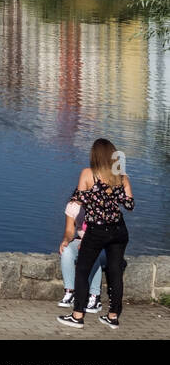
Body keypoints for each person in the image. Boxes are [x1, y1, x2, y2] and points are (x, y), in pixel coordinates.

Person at [58, 138, 133, 329]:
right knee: (115, 272)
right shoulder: (121, 176)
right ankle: (113, 316)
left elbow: (77, 200)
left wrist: (93, 195)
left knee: (82, 270)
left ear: (95, 155)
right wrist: (116, 194)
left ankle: (77, 315)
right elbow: (130, 205)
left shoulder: (87, 174)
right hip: (118, 229)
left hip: (97, 228)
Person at [58, 194, 105, 313]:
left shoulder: (101, 206)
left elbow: (103, 232)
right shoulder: (72, 206)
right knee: (66, 250)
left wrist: (87, 242)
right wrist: (66, 240)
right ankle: (70, 292)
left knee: (92, 253)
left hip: (102, 245)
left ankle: (95, 297)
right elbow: (69, 231)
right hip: (81, 242)